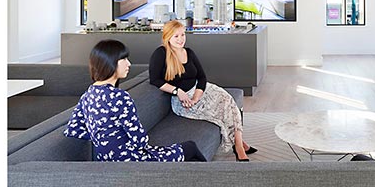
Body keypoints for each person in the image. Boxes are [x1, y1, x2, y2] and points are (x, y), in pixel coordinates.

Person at [63, 39, 206, 162]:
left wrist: (106, 142)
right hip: (132, 160)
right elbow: (140, 140)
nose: (129, 63)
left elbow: (75, 129)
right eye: (124, 59)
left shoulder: (87, 95)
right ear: (110, 63)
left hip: (106, 159)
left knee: (181, 150)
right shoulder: (119, 97)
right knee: (190, 147)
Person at [148, 19, 257, 161]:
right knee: (220, 113)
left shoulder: (189, 52)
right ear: (167, 37)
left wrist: (197, 96)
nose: (181, 39)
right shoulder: (160, 54)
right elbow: (155, 80)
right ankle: (239, 146)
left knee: (228, 101)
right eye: (176, 36)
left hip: (199, 91)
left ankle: (239, 144)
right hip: (183, 100)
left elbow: (202, 77)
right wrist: (178, 91)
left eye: (183, 35)